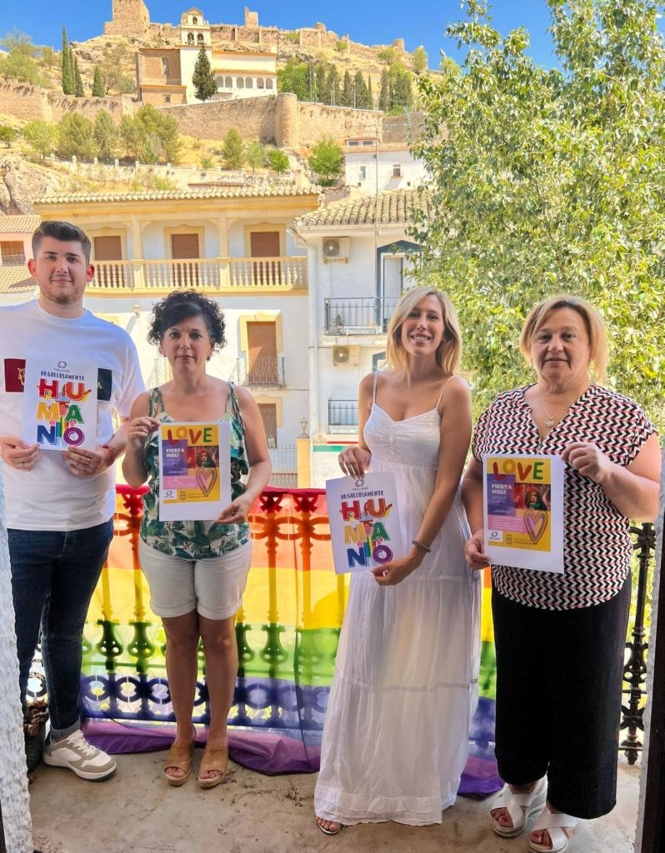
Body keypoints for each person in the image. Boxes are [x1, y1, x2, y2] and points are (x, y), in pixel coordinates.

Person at [462, 295, 660, 853]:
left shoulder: (620, 414)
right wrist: (479, 533)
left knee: (584, 698)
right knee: (521, 691)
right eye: (545, 335)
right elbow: (473, 480)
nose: (556, 346)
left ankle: (565, 803)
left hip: (590, 589)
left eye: (569, 335)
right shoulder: (502, 410)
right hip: (517, 586)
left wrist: (607, 469)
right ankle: (520, 784)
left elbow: (650, 501)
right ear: (530, 345)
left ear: (590, 346)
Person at [314, 286, 481, 834]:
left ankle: (414, 788)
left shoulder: (454, 391)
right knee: (371, 655)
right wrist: (354, 452)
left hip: (430, 547)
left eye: (433, 317)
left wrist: (419, 553)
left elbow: (448, 480)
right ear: (399, 324)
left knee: (423, 664)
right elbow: (372, 452)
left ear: (446, 331)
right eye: (414, 314)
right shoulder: (371, 383)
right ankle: (354, 785)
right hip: (376, 537)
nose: (422, 324)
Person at [0, 220, 144, 781]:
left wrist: (110, 452)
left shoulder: (114, 340)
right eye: (51, 257)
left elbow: (135, 420)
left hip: (89, 518)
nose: (63, 267)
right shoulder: (5, 326)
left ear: (89, 270)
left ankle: (64, 736)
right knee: (12, 637)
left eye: (73, 259)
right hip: (18, 517)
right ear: (32, 266)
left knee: (64, 632)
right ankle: (9, 748)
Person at [122, 290, 271, 788]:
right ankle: (183, 735)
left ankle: (220, 736)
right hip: (164, 541)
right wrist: (134, 438)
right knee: (179, 638)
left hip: (224, 541)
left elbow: (261, 463)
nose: (185, 343)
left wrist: (249, 498)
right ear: (161, 344)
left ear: (211, 344)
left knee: (220, 636)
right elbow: (135, 478)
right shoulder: (148, 402)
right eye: (175, 334)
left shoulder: (237, 398)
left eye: (195, 334)